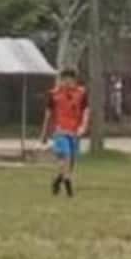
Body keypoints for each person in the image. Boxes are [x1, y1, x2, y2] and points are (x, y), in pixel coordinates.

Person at [40, 67, 89, 197]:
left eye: (70, 79)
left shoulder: (81, 93)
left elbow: (85, 111)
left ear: (74, 80)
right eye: (64, 79)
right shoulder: (54, 94)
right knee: (66, 155)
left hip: (75, 132)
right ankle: (67, 181)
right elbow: (48, 115)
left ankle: (58, 180)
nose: (67, 82)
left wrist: (83, 126)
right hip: (60, 131)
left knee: (71, 161)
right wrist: (44, 133)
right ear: (61, 80)